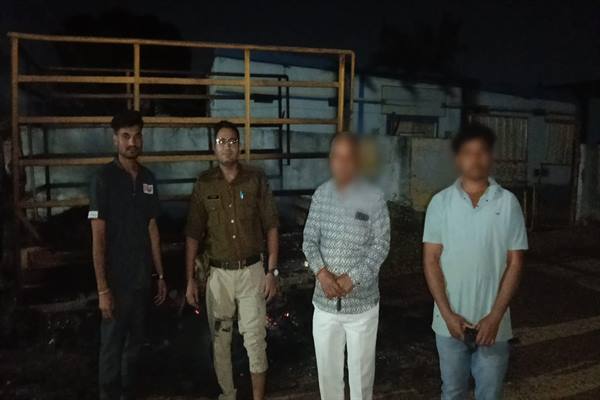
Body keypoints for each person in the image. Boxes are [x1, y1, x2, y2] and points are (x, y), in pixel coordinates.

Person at [422, 123, 528, 400]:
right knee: (452, 392)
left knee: (490, 394)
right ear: (458, 159)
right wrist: (447, 315)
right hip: (448, 324)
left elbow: (515, 263)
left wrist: (495, 317)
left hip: (494, 325)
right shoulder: (440, 203)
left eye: (482, 152)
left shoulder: (508, 203)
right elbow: (431, 260)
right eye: (468, 152)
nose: (475, 158)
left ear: (491, 157)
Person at [184, 120, 279, 400]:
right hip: (218, 276)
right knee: (220, 341)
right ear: (214, 147)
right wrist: (190, 279)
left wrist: (272, 271)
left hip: (252, 272)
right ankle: (228, 395)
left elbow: (272, 225)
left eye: (232, 141)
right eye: (221, 142)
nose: (227, 147)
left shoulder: (256, 179)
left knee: (255, 340)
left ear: (240, 146)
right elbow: (193, 233)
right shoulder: (204, 184)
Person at [302, 133, 390, 400]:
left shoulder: (374, 197)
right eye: (336, 156)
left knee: (361, 381)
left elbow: (381, 244)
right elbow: (309, 240)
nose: (342, 162)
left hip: (362, 307)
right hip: (325, 304)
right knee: (328, 379)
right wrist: (322, 274)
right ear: (331, 159)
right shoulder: (321, 195)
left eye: (348, 156)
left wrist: (354, 278)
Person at [89, 110, 167, 400]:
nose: (132, 142)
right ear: (115, 140)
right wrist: (102, 289)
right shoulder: (103, 179)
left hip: (141, 278)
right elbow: (97, 238)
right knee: (112, 345)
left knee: (135, 344)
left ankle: (128, 393)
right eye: (125, 136)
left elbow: (152, 228)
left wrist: (160, 275)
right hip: (116, 281)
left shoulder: (148, 178)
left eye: (136, 136)